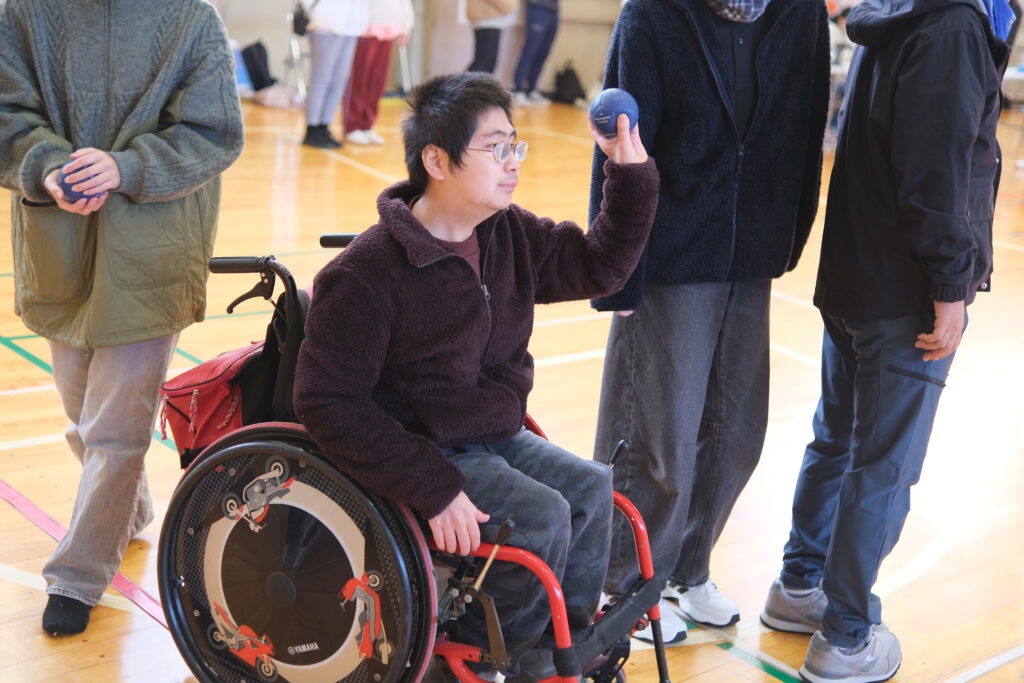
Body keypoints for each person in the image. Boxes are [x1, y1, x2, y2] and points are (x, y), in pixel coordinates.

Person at [293, 71, 657, 681]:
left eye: (515, 145)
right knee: (542, 516)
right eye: (495, 148)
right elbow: (326, 401)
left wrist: (629, 173)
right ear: (437, 160)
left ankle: (558, 653)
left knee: (591, 487)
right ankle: (482, 658)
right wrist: (431, 485)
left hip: (493, 431)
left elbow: (599, 266)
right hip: (422, 447)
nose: (513, 162)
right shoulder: (365, 274)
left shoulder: (507, 233)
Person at [760, 0, 1009, 681]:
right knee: (883, 466)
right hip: (904, 294)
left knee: (837, 441)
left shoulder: (896, 14)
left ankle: (799, 585)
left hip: (854, 277)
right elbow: (936, 173)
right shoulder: (953, 28)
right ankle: (845, 637)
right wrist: (950, 283)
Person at [590, 0, 830, 644]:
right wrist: (616, 264)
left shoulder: (801, 12)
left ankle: (687, 570)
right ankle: (627, 587)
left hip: (753, 249)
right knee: (658, 435)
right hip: (672, 250)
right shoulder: (652, 13)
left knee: (737, 433)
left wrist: (788, 235)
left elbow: (808, 124)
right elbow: (618, 144)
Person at [0, 0, 244, 635]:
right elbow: (6, 114)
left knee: (116, 428)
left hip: (153, 245)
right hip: (58, 242)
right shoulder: (24, 12)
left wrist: (127, 167)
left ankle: (77, 576)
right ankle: (126, 511)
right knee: (83, 413)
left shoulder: (190, 18)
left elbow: (214, 131)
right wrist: (48, 166)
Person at [342, 0, 414, 145]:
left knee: (377, 80)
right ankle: (353, 125)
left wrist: (406, 26)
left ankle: (367, 124)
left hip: (389, 27)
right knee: (360, 78)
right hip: (366, 27)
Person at [302, 0, 369, 148]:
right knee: (321, 78)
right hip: (326, 24)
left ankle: (324, 126)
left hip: (351, 27)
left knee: (339, 80)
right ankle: (312, 128)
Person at [512, 0, 560, 106]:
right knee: (530, 50)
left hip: (554, 10)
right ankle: (518, 90)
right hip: (537, 8)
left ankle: (532, 90)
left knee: (543, 53)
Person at [464, 0, 520, 75]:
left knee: (488, 62)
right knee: (483, 61)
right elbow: (507, 6)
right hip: (487, 21)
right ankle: (462, 82)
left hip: (488, 21)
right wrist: (511, 5)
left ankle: (483, 82)